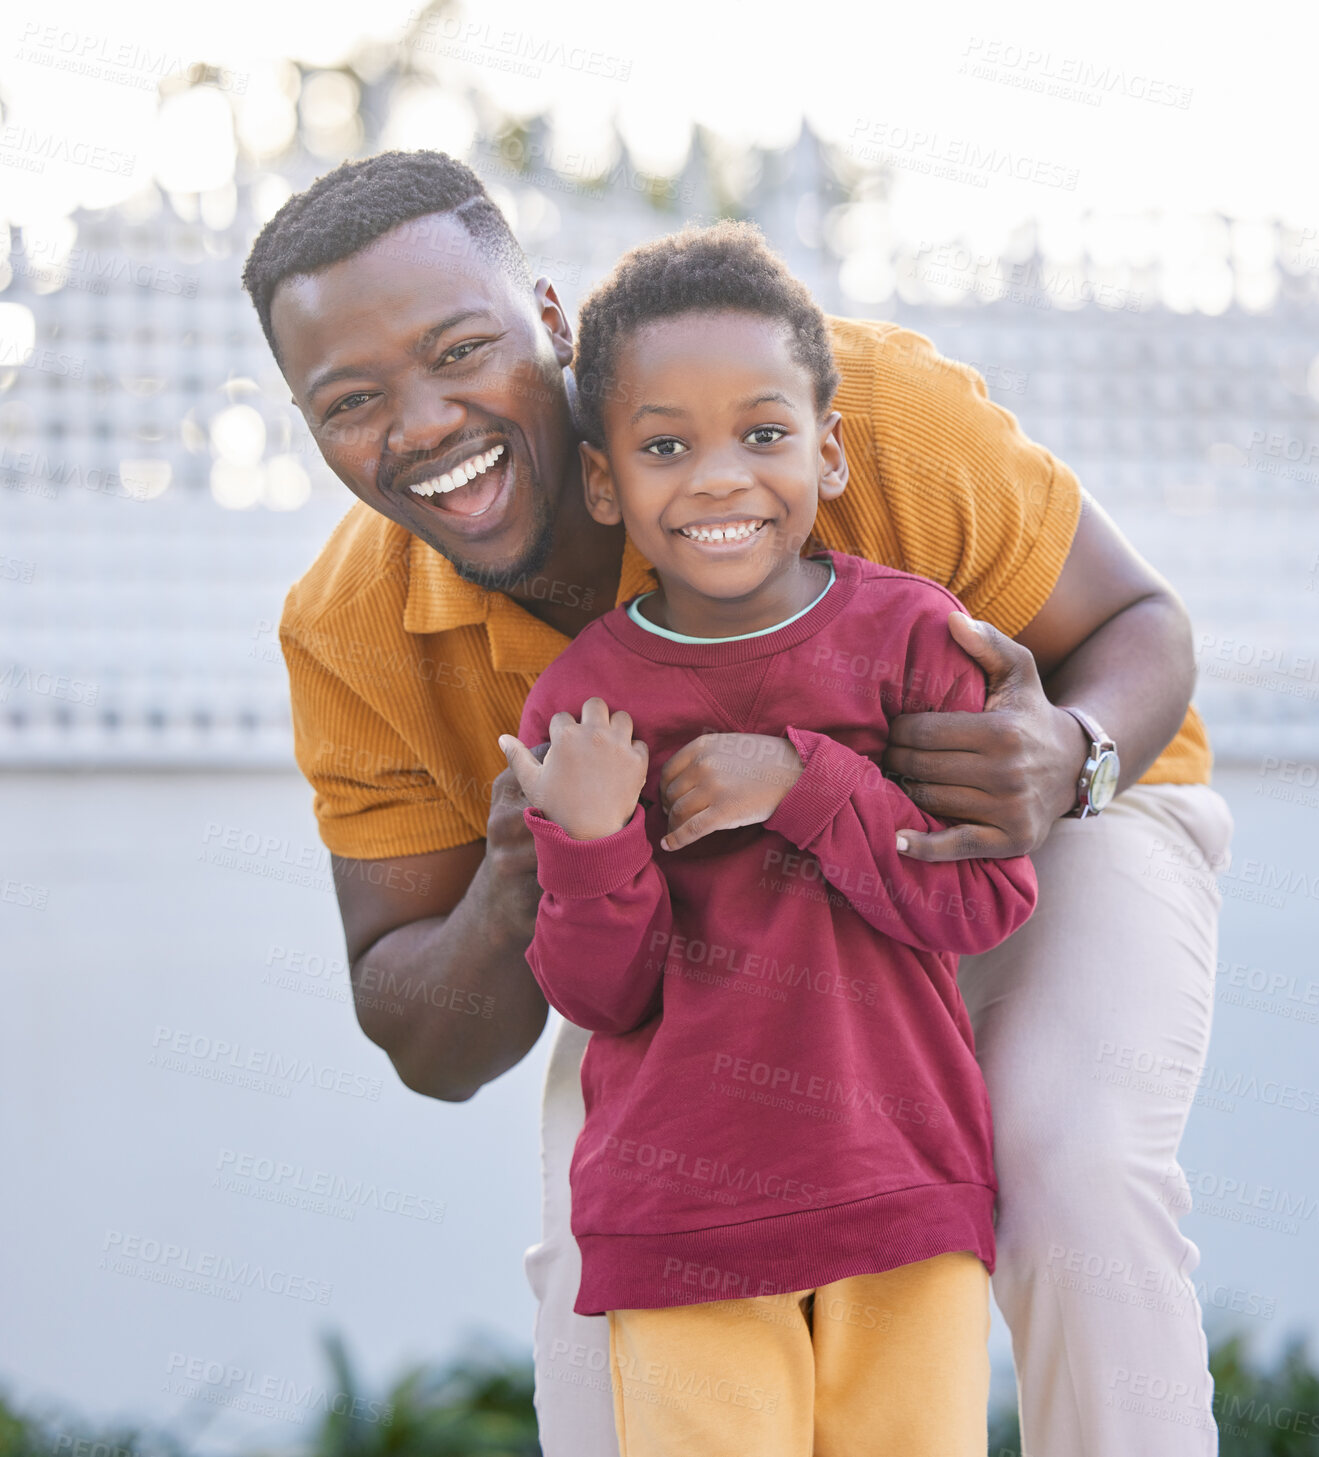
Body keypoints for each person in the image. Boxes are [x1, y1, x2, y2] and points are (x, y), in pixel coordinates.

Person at [241, 149, 1232, 1457]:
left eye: (458, 349)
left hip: (1031, 837)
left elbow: (1134, 621)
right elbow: (424, 1036)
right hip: (699, 924)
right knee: (617, 1265)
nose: (421, 423)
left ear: (550, 322)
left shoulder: (823, 399)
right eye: (351, 400)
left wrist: (1072, 750)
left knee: (1066, 1161)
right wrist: (514, 879)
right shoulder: (351, 629)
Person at [495, 220, 1039, 1455]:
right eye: (665, 445)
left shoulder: (915, 639)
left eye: (765, 433)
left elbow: (985, 899)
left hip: (903, 1185)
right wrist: (587, 841)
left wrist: (799, 778)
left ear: (830, 452)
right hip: (681, 1216)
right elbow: (600, 992)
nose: (719, 476)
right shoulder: (581, 704)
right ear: (603, 480)